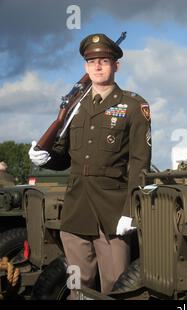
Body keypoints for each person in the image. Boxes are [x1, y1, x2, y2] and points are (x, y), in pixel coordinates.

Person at [28, 33, 151, 296]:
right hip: (76, 211)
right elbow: (64, 156)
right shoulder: (75, 108)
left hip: (113, 213)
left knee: (115, 286)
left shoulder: (133, 105)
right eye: (92, 61)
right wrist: (46, 157)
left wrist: (131, 209)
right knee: (77, 286)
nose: (97, 66)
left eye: (104, 61)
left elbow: (140, 164)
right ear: (85, 67)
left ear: (116, 66)